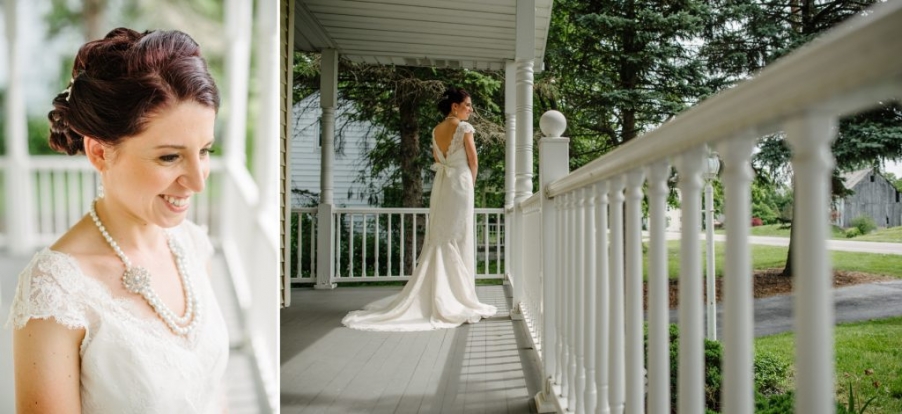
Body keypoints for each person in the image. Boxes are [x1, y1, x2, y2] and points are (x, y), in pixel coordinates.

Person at [5, 28, 228, 413]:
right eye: (169, 157)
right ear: (99, 153)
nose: (196, 181)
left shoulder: (193, 245)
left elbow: (211, 391)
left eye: (204, 151)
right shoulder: (56, 291)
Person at [342, 87, 497, 331]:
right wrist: (471, 185)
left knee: (442, 235)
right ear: (454, 106)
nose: (470, 109)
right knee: (458, 236)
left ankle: (442, 291)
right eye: (467, 105)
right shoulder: (465, 128)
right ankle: (457, 297)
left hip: (443, 184)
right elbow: (473, 160)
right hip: (461, 184)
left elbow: (438, 161)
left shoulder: (436, 130)